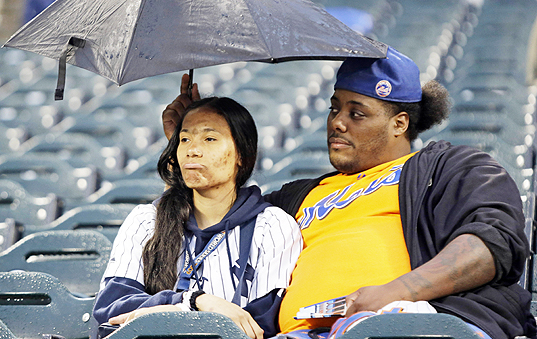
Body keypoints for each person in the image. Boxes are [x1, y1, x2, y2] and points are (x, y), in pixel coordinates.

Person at [162, 48, 535, 339]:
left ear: (399, 123)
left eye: (357, 114)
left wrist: (397, 292)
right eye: (334, 108)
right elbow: (209, 224)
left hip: (409, 327)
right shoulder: (297, 196)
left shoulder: (449, 168)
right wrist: (188, 149)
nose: (337, 122)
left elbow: (494, 243)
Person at [93, 97, 302, 339]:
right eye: (184, 139)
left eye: (209, 138)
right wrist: (196, 301)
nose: (192, 150)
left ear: (242, 155)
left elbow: (260, 325)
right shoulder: (147, 220)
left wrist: (168, 312)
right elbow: (112, 308)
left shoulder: (272, 226)